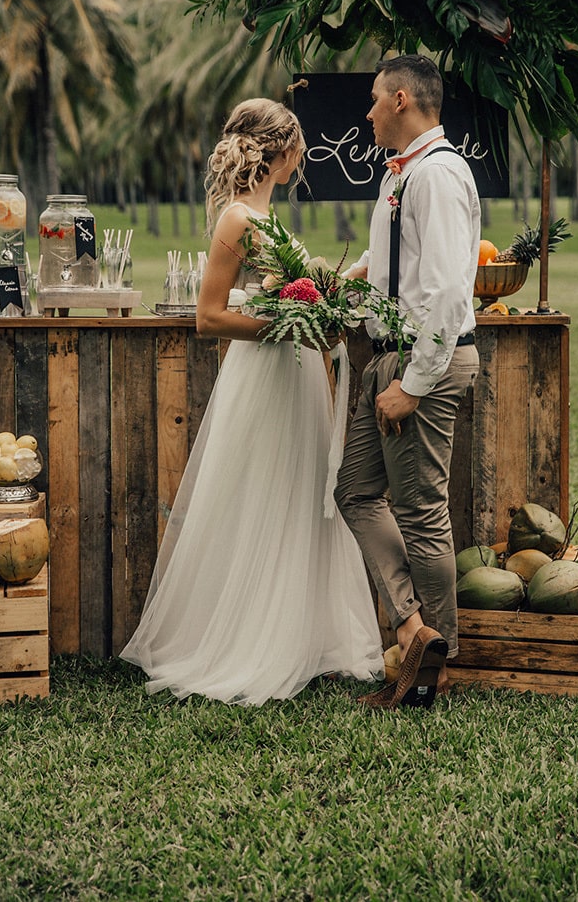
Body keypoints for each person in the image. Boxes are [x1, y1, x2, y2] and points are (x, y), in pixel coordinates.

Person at [120, 98, 384, 705]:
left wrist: (338, 291)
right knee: (262, 494)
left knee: (298, 497)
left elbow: (281, 293)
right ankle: (250, 641)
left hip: (292, 377)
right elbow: (208, 318)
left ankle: (305, 635)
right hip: (264, 377)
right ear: (281, 150)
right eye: (299, 146)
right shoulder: (238, 218)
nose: (303, 156)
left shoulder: (265, 216)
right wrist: (292, 323)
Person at [334, 55, 481, 710]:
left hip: (423, 361)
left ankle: (436, 667)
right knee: (356, 492)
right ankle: (414, 630)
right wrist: (348, 276)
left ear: (400, 100)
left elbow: (450, 287)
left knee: (421, 512)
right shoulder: (405, 175)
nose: (365, 114)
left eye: (372, 101)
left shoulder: (439, 175)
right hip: (389, 355)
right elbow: (403, 261)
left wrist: (416, 383)